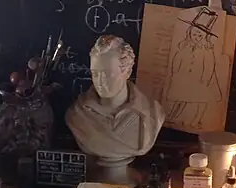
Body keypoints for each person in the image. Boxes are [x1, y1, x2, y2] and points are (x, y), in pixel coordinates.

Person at [66, 36, 164, 180]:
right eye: (95, 73)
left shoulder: (152, 113)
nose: (99, 81)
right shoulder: (77, 115)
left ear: (127, 72)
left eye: (107, 74)